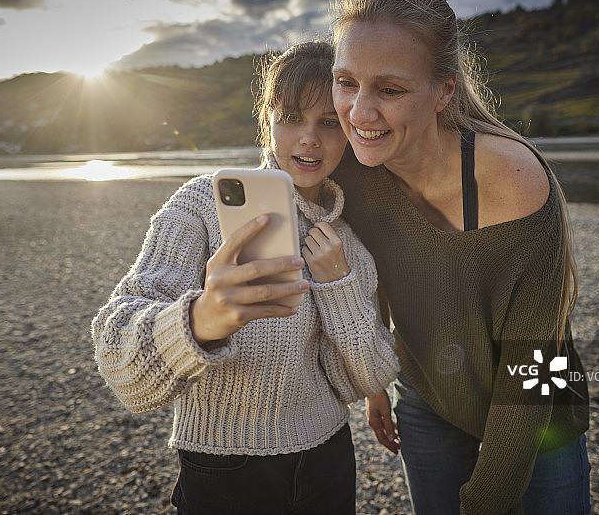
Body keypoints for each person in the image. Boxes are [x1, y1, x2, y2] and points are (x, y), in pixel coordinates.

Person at [91, 40, 399, 515]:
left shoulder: (348, 241)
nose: (309, 139)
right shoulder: (200, 206)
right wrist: (201, 320)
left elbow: (369, 374)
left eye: (329, 123)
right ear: (268, 122)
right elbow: (119, 358)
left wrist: (339, 287)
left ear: (352, 131)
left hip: (328, 459)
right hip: (223, 470)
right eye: (291, 117)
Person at [329, 0, 591, 514]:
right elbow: (370, 268)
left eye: (390, 90)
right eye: (345, 82)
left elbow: (533, 365)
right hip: (427, 392)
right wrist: (377, 382)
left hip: (541, 405)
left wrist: (486, 500)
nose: (359, 112)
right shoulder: (356, 169)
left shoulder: (513, 179)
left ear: (444, 91)